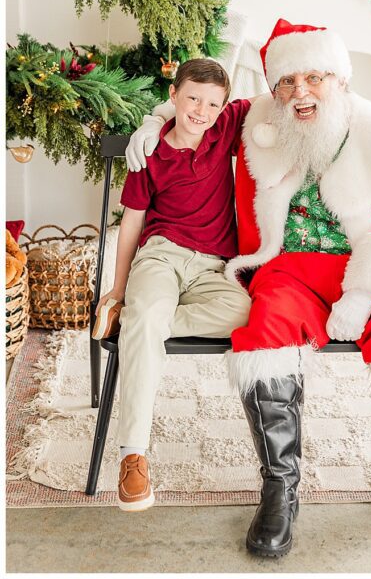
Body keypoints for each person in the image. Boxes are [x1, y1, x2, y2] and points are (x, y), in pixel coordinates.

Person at [128, 19, 371, 556]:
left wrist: (362, 291)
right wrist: (154, 121)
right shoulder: (262, 128)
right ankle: (281, 485)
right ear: (274, 92)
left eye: (314, 78)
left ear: (340, 81)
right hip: (291, 268)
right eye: (288, 82)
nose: (301, 92)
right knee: (265, 328)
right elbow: (199, 108)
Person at [95, 59, 252, 512]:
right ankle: (133, 456)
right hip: (160, 255)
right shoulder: (150, 154)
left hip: (213, 269)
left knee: (248, 313)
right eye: (191, 98)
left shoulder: (224, 129)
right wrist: (118, 289)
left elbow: (275, 92)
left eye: (211, 103)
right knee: (144, 312)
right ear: (174, 95)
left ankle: (143, 321)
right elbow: (132, 223)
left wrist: (154, 116)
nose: (201, 110)